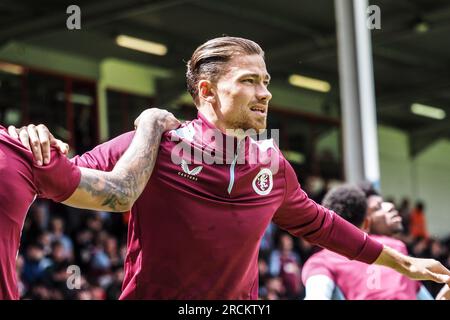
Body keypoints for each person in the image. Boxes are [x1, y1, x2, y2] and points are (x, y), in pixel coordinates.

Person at [11, 36, 450, 299]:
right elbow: (64, 175)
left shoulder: (272, 166)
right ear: (207, 91)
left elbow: (323, 225)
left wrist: (404, 263)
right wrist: (34, 141)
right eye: (249, 81)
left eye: (266, 82)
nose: (265, 93)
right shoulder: (155, 145)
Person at [0, 108, 179, 299]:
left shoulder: (17, 149)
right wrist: (152, 124)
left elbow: (89, 169)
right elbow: (121, 192)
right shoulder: (14, 150)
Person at [302, 184, 434, 299]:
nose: (390, 207)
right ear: (366, 223)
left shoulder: (320, 261)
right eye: (377, 208)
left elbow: (317, 294)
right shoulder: (397, 248)